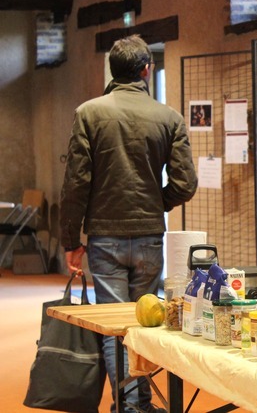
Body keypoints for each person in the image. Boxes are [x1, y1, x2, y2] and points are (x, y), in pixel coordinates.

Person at [60, 35, 198, 412]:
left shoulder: (89, 113)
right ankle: (140, 403)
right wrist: (157, 204)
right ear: (146, 70)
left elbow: (76, 183)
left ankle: (127, 405)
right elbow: (186, 183)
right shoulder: (169, 117)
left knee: (114, 325)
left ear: (112, 70)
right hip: (151, 238)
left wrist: (71, 239)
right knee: (145, 322)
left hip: (105, 236)